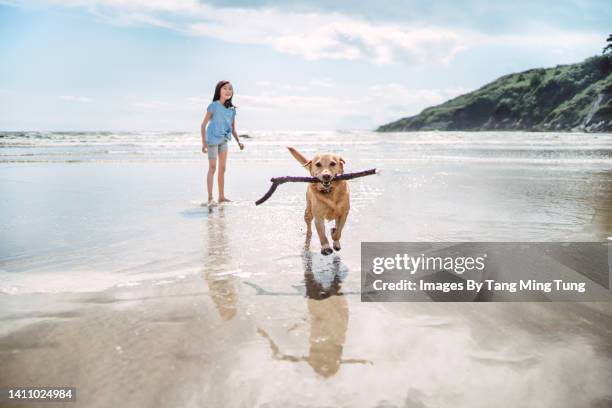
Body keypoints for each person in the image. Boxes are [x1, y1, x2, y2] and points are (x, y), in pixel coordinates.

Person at [201, 80, 244, 205]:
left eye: (230, 89)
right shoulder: (213, 106)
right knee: (212, 168)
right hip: (212, 140)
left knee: (223, 168)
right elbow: (203, 125)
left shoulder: (232, 110)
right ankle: (210, 198)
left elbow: (233, 128)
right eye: (225, 88)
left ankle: (221, 196)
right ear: (219, 90)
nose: (228, 91)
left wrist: (239, 141)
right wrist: (204, 143)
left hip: (224, 140)